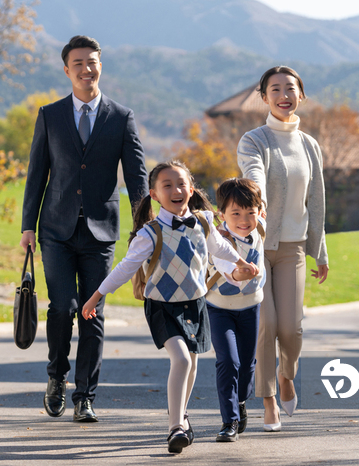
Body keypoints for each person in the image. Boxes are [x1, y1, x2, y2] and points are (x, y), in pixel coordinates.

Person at [81, 161, 259, 453]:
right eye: (167, 185)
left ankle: (182, 417)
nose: (176, 190)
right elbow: (125, 268)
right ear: (154, 194)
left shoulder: (202, 222)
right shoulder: (149, 234)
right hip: (162, 307)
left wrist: (241, 263)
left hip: (196, 304)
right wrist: (96, 296)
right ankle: (175, 427)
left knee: (191, 364)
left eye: (181, 184)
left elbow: (220, 248)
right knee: (183, 360)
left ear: (190, 189)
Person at [20, 35, 148, 423]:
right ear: (67, 70)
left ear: (100, 66)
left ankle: (85, 397)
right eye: (78, 63)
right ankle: (56, 377)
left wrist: (145, 226)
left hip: (101, 233)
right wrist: (28, 226)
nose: (86, 69)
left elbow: (137, 175)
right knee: (62, 308)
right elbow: (36, 174)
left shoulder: (121, 117)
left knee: (93, 313)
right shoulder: (50, 114)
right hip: (55, 230)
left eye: (92, 62)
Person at [236, 66, 330, 432]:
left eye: (290, 88)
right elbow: (252, 171)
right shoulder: (253, 139)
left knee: (291, 328)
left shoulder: (309, 145)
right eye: (275, 89)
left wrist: (319, 250)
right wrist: (255, 195)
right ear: (264, 97)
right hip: (257, 246)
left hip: (292, 247)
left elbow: (317, 201)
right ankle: (269, 398)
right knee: (266, 326)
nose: (283, 95)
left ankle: (286, 374)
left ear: (301, 96)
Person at [205, 178, 266, 442]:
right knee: (228, 362)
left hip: (251, 307)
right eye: (235, 214)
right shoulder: (217, 241)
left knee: (248, 365)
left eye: (250, 213)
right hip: (219, 309)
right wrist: (245, 271)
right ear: (222, 215)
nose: (244, 220)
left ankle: (241, 401)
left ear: (260, 212)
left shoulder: (261, 227)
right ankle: (229, 420)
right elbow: (232, 274)